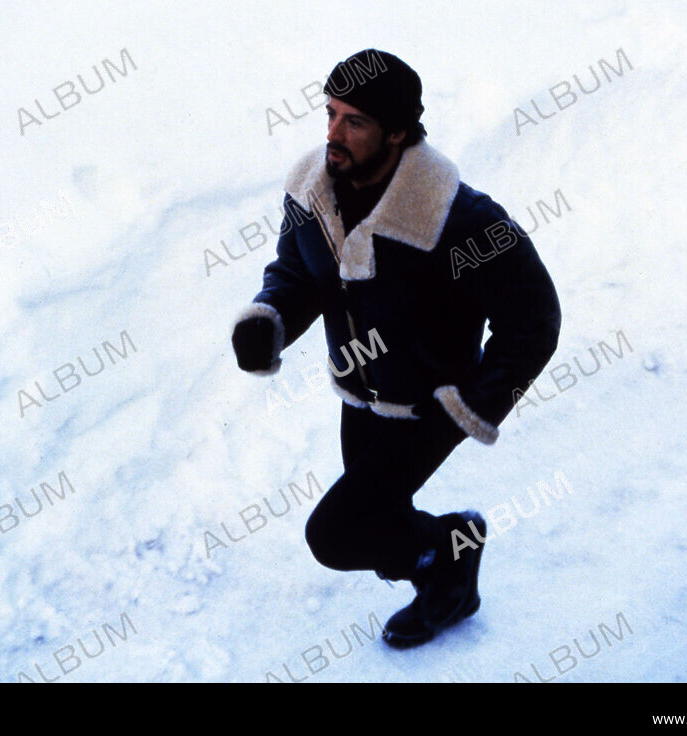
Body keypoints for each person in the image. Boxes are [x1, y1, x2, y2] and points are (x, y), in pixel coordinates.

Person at [231, 49, 561, 648]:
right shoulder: (312, 188)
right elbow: (299, 273)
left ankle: (451, 556)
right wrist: (270, 317)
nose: (333, 134)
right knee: (379, 522)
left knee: (335, 535)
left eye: (354, 121)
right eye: (330, 113)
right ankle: (452, 560)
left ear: (399, 131)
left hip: (430, 405)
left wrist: (472, 405)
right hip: (358, 393)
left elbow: (534, 322)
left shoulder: (459, 220)